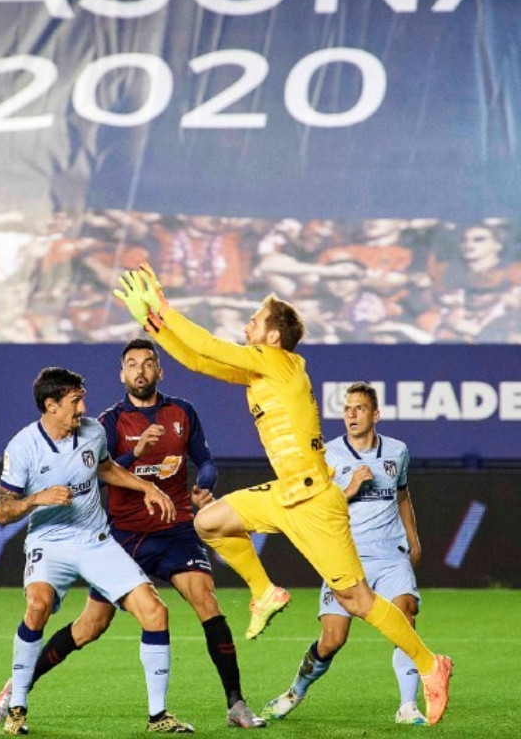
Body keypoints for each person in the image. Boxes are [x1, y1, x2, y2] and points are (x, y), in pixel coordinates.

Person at [112, 263, 453, 726]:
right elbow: (197, 360)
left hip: (315, 502)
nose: (247, 324)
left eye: (255, 319)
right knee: (209, 523)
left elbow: (209, 345)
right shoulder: (263, 371)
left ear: (272, 336)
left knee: (357, 601)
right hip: (285, 493)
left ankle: (432, 665)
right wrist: (152, 324)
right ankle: (264, 590)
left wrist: (163, 309)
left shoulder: (274, 362)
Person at [0, 340, 265, 729]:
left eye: (148, 363)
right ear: (122, 374)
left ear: (159, 370)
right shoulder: (107, 422)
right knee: (89, 626)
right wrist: (136, 455)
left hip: (172, 531)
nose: (141, 370)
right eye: (132, 364)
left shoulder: (179, 413)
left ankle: (232, 704)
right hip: (125, 535)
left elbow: (199, 461)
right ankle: (17, 690)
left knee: (200, 604)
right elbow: (94, 476)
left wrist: (189, 485)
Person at [0, 366, 193, 735]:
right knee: (37, 607)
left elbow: (106, 469)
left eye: (81, 398)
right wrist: (37, 498)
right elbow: (3, 512)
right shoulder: (22, 446)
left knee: (155, 612)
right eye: (75, 401)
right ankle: (17, 707)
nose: (83, 407)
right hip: (48, 541)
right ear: (51, 405)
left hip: (94, 540)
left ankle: (158, 716)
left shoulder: (93, 432)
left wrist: (145, 488)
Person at [261, 382, 428, 725]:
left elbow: (403, 494)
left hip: (389, 553)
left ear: (375, 414)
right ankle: (295, 692)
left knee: (405, 614)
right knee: (332, 640)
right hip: (345, 555)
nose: (351, 415)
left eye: (359, 408)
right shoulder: (328, 455)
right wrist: (350, 490)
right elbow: (315, 507)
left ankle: (408, 706)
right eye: (347, 409)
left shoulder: (397, 451)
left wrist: (413, 539)